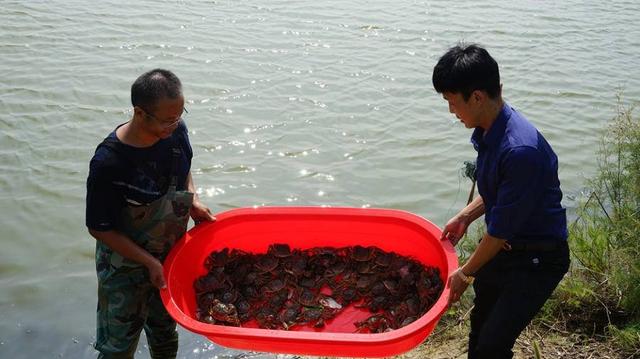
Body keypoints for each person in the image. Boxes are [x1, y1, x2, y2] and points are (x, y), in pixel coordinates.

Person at [433, 44, 570, 359]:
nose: (452, 112)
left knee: (493, 345)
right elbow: (500, 192)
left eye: (453, 103)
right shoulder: (489, 129)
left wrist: (465, 272)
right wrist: (466, 216)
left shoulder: (521, 149)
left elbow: (499, 232)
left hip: (538, 259)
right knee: (480, 327)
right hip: (505, 249)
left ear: (478, 97)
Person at [86, 69, 215, 358]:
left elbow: (184, 169)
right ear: (140, 113)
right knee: (117, 347)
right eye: (168, 119)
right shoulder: (109, 163)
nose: (176, 124)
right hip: (125, 267)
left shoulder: (175, 131)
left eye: (180, 115)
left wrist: (192, 198)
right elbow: (98, 227)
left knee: (165, 333)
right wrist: (147, 262)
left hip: (170, 257)